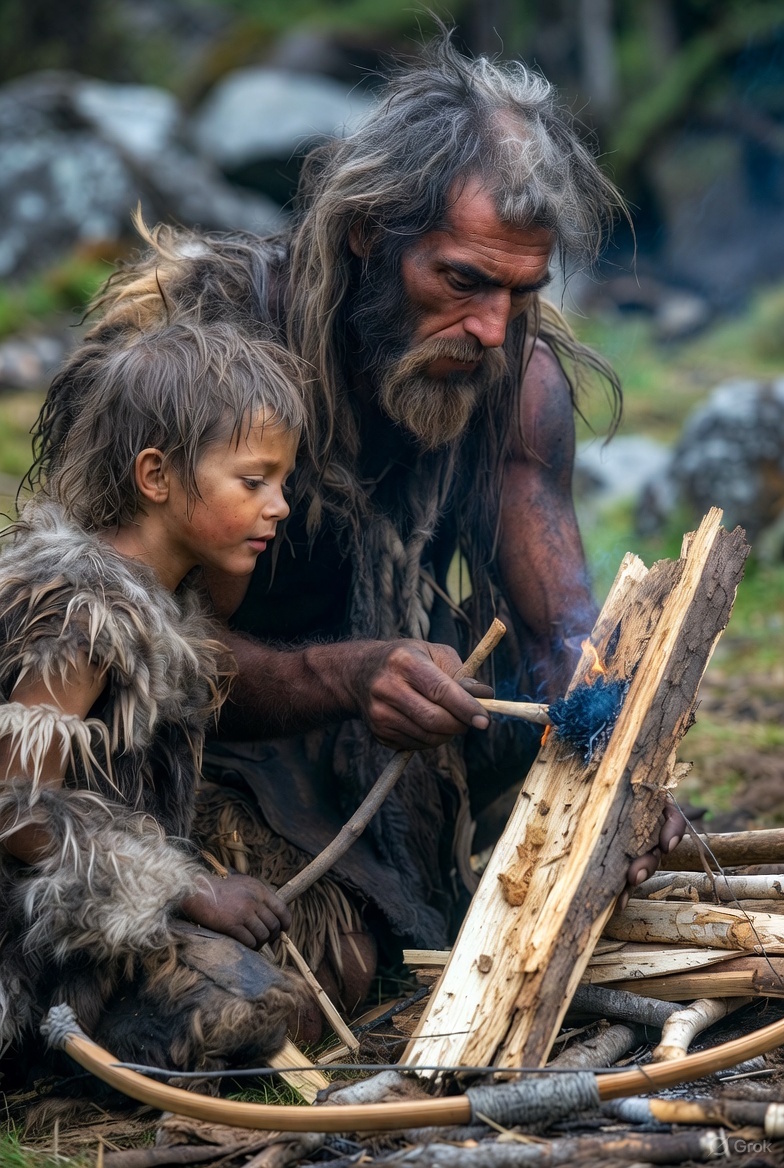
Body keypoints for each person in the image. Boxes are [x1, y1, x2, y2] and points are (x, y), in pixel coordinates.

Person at [31, 32, 683, 1013]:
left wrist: (621, 763)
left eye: (521, 292)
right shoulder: (198, 355)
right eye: (460, 280)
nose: (493, 330)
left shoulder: (515, 380)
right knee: (278, 983)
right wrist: (337, 675)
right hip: (184, 746)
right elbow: (99, 644)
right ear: (370, 233)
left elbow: (562, 636)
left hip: (386, 748)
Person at [0, 319, 311, 1074]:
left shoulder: (158, 600)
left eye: (283, 483)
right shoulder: (87, 614)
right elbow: (13, 806)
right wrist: (191, 891)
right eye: (253, 481)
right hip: (29, 944)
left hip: (87, 920)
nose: (280, 507)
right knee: (237, 1008)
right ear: (155, 477)